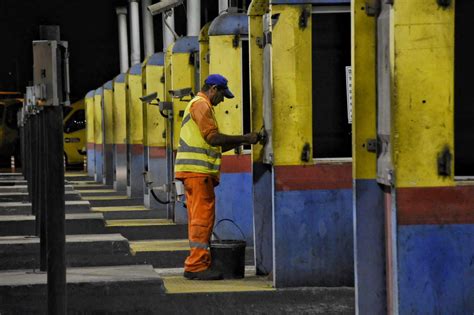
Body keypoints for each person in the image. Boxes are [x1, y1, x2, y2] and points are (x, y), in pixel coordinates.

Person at [175, 74, 259, 280]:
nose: (222, 100)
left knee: (198, 219)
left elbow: (216, 143)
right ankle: (196, 266)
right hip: (197, 173)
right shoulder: (201, 105)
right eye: (222, 95)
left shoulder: (199, 105)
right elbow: (213, 138)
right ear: (213, 89)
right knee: (203, 219)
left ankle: (198, 263)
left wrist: (245, 141)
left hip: (194, 173)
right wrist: (244, 138)